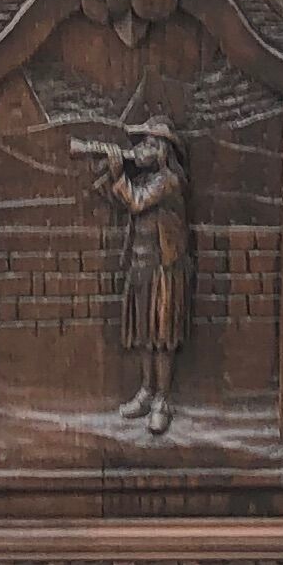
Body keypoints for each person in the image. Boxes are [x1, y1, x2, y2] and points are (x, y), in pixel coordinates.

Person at [84, 116, 191, 433]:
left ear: (162, 151)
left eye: (148, 144)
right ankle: (146, 391)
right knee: (145, 334)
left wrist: (119, 173)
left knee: (162, 336)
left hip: (165, 268)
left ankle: (162, 400)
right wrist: (106, 172)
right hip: (141, 264)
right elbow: (118, 198)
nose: (141, 150)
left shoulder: (169, 180)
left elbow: (137, 201)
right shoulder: (146, 179)